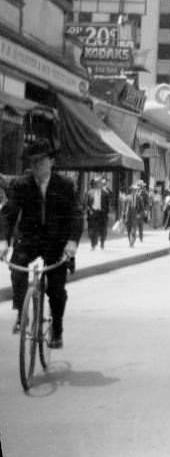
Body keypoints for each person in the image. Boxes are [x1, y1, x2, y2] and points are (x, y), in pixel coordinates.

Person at [0, 139, 82, 348]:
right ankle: (21, 312)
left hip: (56, 243)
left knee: (56, 289)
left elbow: (76, 215)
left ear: (51, 161)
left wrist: (72, 242)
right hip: (29, 239)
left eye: (41, 161)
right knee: (17, 270)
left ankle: (57, 330)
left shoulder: (64, 185)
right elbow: (8, 215)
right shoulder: (22, 185)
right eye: (33, 162)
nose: (36, 166)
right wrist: (3, 241)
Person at [85, 177, 110, 250]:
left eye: (99, 183)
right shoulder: (90, 192)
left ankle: (102, 243)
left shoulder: (105, 193)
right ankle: (93, 245)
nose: (98, 185)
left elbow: (107, 205)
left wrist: (106, 213)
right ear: (94, 184)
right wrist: (89, 210)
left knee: (103, 230)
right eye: (96, 183)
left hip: (102, 214)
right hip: (93, 213)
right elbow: (86, 204)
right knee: (93, 230)